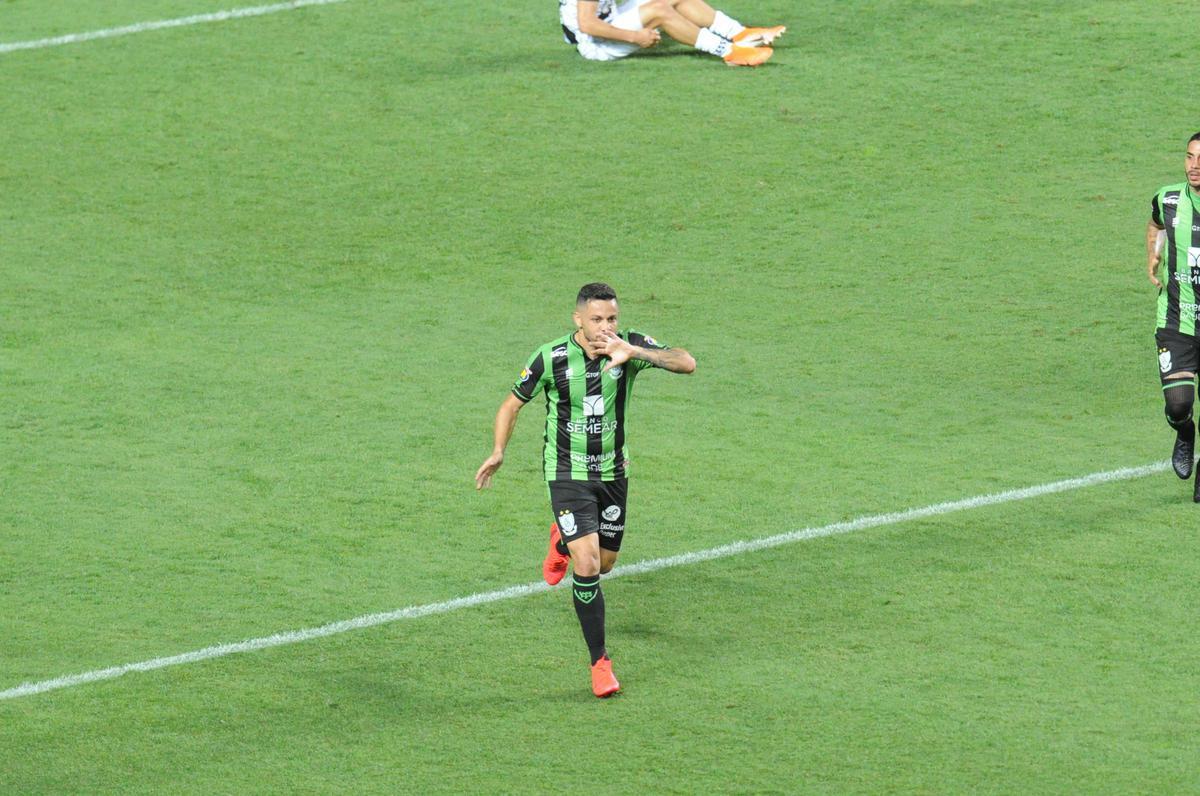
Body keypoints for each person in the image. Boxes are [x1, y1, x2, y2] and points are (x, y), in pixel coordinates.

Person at [475, 283, 696, 697]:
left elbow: (687, 362)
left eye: (612, 318)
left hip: (613, 473)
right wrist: (498, 451)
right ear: (578, 319)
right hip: (567, 473)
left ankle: (561, 542)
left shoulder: (627, 346)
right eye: (597, 319)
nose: (605, 327)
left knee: (607, 563)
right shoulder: (551, 357)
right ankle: (600, 664)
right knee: (590, 564)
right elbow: (511, 404)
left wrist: (637, 353)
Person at [1148, 131, 1200, 500]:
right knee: (1178, 404)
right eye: (1189, 157)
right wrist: (1153, 253)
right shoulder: (1167, 199)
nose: (1194, 166)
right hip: (1176, 321)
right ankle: (1184, 432)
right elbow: (1155, 224)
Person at [559, 0, 785, 67]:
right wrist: (636, 37)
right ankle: (729, 52)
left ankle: (739, 33)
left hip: (609, 21)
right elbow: (587, 24)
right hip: (597, 43)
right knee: (659, 11)